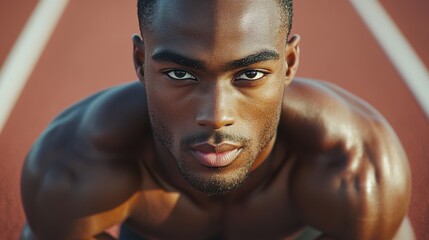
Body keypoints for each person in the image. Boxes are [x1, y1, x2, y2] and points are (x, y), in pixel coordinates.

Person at [20, 0, 414, 239]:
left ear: (289, 63)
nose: (216, 116)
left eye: (250, 74)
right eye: (181, 74)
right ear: (141, 63)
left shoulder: (358, 172)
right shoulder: (72, 168)